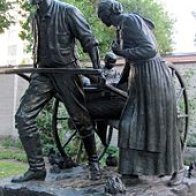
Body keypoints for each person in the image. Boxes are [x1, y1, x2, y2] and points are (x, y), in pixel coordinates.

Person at [12, 0, 101, 183]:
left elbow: (89, 40)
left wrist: (96, 69)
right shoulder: (35, 16)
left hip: (66, 72)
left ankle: (93, 162)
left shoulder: (68, 11)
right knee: (23, 117)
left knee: (80, 119)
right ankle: (36, 168)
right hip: (43, 73)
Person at [97, 0, 183, 186]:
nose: (100, 17)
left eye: (100, 13)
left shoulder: (130, 20)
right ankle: (131, 173)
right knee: (130, 125)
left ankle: (178, 170)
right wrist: (121, 83)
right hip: (140, 81)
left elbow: (149, 49)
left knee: (159, 125)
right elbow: (130, 60)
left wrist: (121, 51)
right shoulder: (121, 27)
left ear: (107, 13)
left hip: (153, 79)